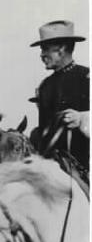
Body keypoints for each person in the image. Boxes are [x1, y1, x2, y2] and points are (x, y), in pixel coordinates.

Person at [30, 20, 89, 171]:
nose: (41, 55)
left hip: (84, 168)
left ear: (61, 49)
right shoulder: (44, 86)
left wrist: (82, 119)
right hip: (51, 169)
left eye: (45, 49)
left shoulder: (86, 77)